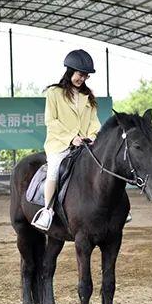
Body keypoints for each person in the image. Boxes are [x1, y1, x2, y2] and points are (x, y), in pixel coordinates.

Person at [31, 49, 100, 231]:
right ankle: (47, 211)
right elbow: (50, 121)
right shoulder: (54, 93)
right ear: (70, 71)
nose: (82, 79)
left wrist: (91, 136)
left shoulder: (89, 97)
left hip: (84, 144)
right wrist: (71, 138)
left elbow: (94, 122)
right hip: (60, 144)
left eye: (85, 76)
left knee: (103, 165)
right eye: (79, 74)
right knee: (54, 169)